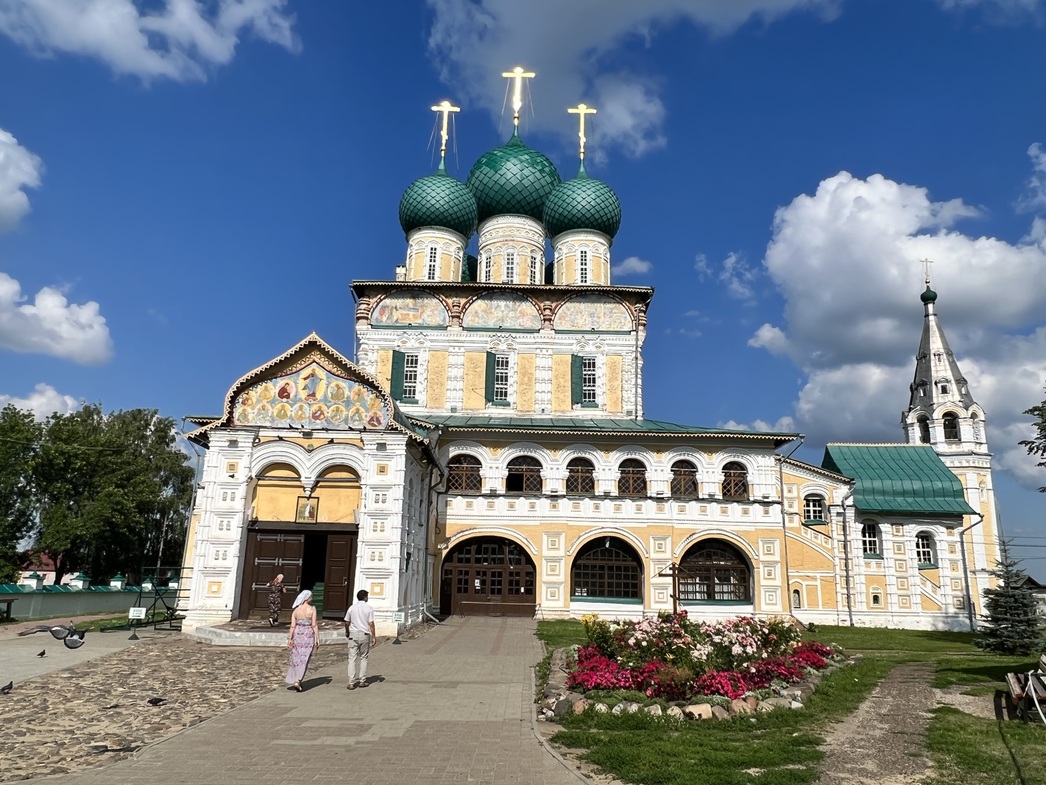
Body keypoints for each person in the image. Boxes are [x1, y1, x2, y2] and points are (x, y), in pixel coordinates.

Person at [285, 590, 319, 692]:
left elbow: (292, 626)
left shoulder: (296, 611)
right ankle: (298, 679)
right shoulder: (312, 609)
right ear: (307, 598)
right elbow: (314, 625)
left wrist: (290, 638)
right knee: (305, 658)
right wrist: (317, 638)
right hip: (307, 634)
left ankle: (295, 678)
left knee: (296, 658)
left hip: (297, 634)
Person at [343, 589, 376, 689]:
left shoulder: (352, 608)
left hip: (353, 634)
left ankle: (351, 682)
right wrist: (374, 636)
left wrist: (347, 631)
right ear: (365, 597)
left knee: (352, 658)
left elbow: (346, 621)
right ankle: (362, 680)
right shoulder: (369, 608)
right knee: (364, 657)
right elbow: (371, 623)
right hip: (364, 634)